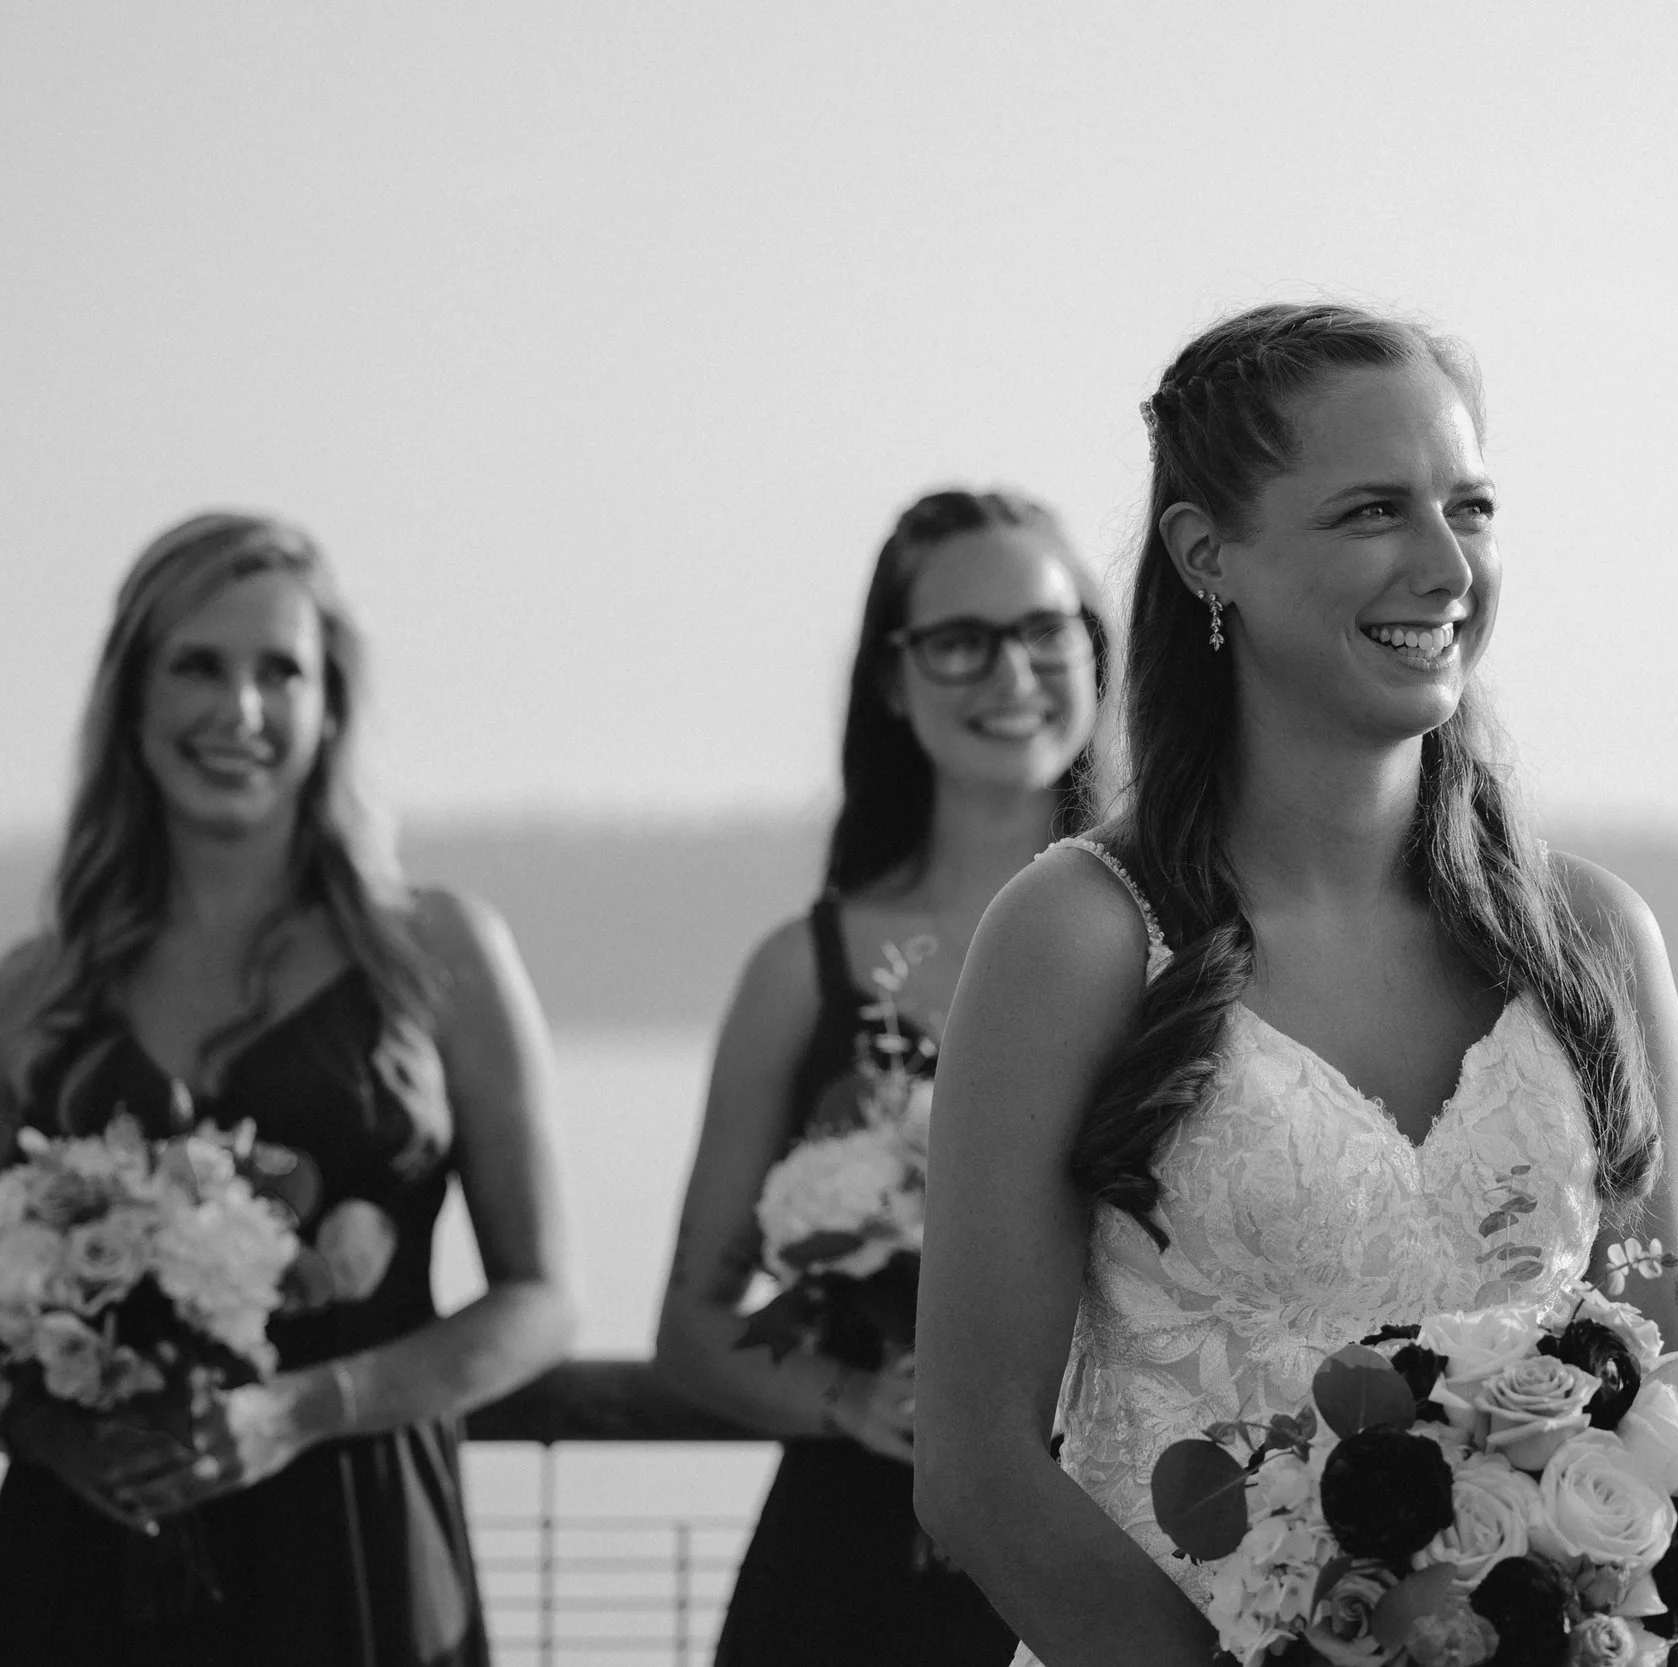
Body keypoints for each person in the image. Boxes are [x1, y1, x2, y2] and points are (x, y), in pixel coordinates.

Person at [913, 303, 1678, 1664]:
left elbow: (1676, 1411)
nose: (1446, 564)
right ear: (1207, 553)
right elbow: (977, 1468)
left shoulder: (1594, 939)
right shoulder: (1078, 937)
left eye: (1471, 506)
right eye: (1371, 511)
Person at [0, 512, 575, 1665]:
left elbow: (541, 1301)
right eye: (197, 665)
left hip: (360, 1549)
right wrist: (58, 1433)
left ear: (331, 707)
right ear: (132, 695)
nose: (241, 708)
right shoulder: (32, 993)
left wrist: (301, 1407)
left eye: (281, 670)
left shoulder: (437, 952)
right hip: (83, 1563)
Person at [654, 488, 1107, 1664]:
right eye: (960, 640)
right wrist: (849, 1398)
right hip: (851, 1574)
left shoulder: (1187, 947)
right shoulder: (798, 974)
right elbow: (694, 1324)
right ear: (893, 681)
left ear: (1095, 652)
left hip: (1121, 1552)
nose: (1011, 672)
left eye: (1044, 630)